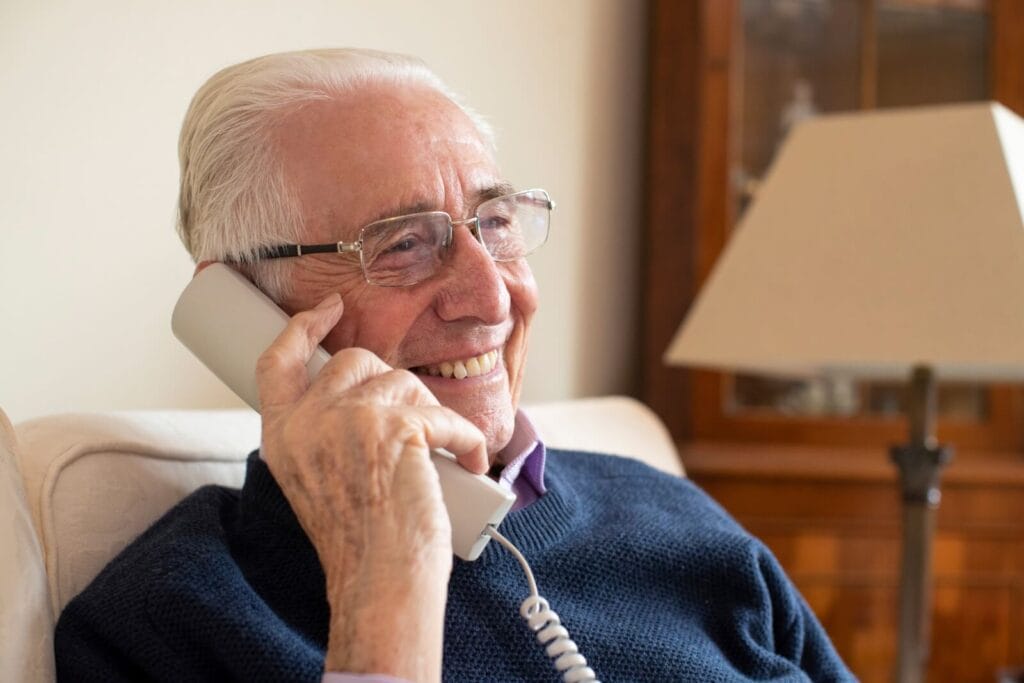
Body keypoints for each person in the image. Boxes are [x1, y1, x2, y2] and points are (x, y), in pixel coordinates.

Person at [54, 48, 854, 682]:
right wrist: (382, 590)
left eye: (495, 222)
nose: (490, 295)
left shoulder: (679, 519)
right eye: (404, 242)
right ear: (243, 313)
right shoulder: (164, 624)